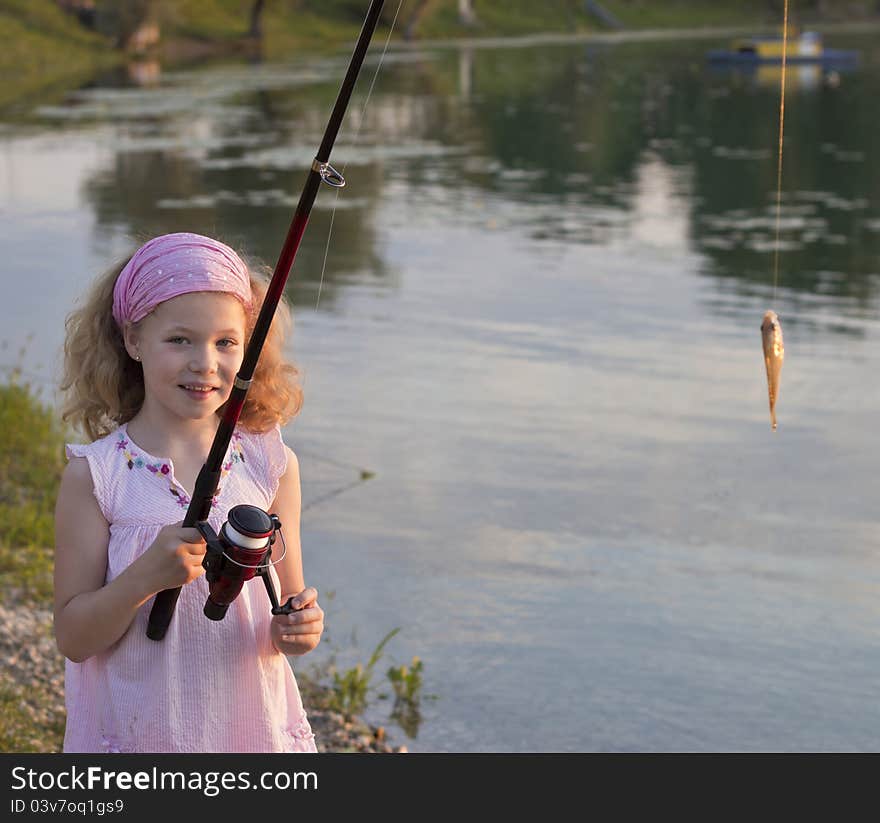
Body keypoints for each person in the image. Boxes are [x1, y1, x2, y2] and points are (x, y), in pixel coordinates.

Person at [54, 232, 324, 753]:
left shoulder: (272, 465)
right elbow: (73, 637)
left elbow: (285, 609)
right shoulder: (97, 477)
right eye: (180, 340)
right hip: (137, 739)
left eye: (226, 342)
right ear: (133, 339)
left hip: (249, 734)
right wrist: (144, 578)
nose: (205, 362)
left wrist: (299, 627)